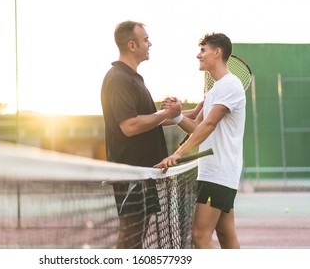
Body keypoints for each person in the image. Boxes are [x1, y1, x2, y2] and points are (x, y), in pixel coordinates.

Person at [155, 33, 245, 249]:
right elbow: (196, 124)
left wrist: (178, 154)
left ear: (217, 52)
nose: (198, 55)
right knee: (225, 234)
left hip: (219, 173)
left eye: (203, 51)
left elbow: (208, 125)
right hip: (217, 172)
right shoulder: (216, 89)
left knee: (200, 236)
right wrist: (172, 115)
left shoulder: (229, 85)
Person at [100, 20, 186, 249]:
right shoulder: (119, 78)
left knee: (138, 238)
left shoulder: (133, 78)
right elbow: (130, 126)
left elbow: (149, 120)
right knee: (130, 237)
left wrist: (182, 113)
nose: (150, 43)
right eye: (145, 39)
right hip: (131, 174)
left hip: (143, 173)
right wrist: (166, 113)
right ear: (131, 45)